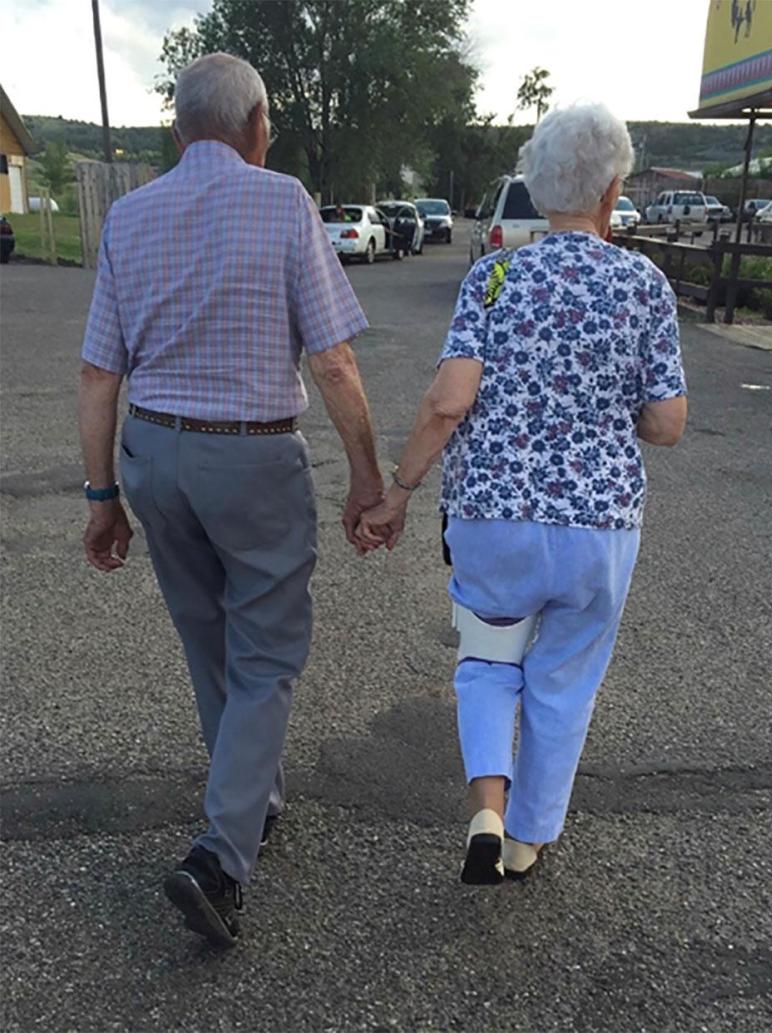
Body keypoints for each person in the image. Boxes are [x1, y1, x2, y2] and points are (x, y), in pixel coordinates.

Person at [78, 53, 383, 947]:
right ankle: (220, 857)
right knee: (268, 652)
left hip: (154, 455)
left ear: (178, 134)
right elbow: (332, 358)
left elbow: (100, 373)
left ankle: (253, 802)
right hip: (249, 460)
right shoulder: (284, 200)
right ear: (257, 127)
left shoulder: (129, 218)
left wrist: (102, 496)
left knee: (207, 634)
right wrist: (366, 475)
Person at [357, 103, 687, 885]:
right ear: (613, 191)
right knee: (564, 680)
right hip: (599, 524)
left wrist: (399, 491)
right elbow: (668, 422)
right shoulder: (644, 284)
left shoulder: (497, 275)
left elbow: (448, 400)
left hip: (493, 515)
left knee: (487, 662)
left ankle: (485, 807)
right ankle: (527, 838)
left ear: (539, 192)